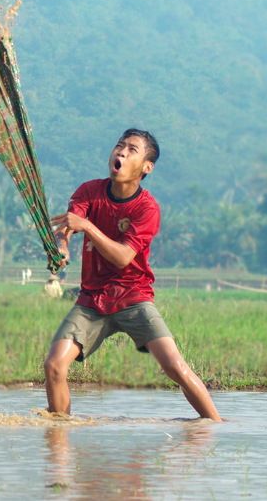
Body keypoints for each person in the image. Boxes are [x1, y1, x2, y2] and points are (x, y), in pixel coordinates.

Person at [45, 129, 222, 421]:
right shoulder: (89, 191)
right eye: (119, 146)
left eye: (132, 150)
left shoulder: (147, 208)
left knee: (175, 367)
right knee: (54, 366)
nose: (122, 152)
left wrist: (87, 227)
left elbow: (123, 257)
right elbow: (67, 226)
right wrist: (61, 247)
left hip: (133, 297)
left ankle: (215, 424)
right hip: (92, 300)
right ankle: (59, 432)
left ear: (146, 167)